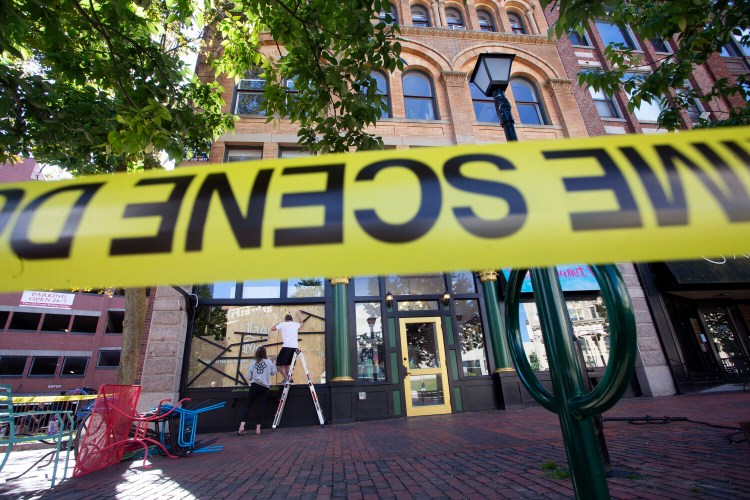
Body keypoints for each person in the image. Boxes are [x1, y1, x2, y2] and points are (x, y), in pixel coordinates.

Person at [238, 346, 277, 436]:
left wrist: (253, 377)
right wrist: (273, 363)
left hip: (254, 386)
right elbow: (273, 373)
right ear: (265, 353)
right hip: (264, 388)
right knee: (261, 408)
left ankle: (241, 427)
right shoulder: (269, 362)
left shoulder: (253, 362)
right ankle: (258, 429)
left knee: (248, 406)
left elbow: (249, 376)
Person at [272, 311, 303, 384]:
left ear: (285, 320)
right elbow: (302, 323)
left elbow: (272, 329)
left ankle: (287, 379)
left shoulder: (283, 324)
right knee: (286, 365)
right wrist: (299, 316)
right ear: (291, 319)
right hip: (295, 347)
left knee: (279, 365)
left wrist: (277, 324)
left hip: (287, 346)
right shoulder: (295, 324)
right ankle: (290, 379)